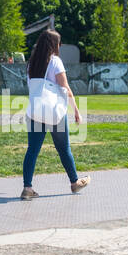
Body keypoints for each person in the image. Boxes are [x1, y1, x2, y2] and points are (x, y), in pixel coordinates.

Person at [20, 30, 89, 199]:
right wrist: (76, 110)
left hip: (35, 112)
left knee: (32, 150)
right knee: (63, 148)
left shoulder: (31, 63)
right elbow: (65, 88)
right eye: (59, 43)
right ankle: (74, 183)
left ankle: (27, 188)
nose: (59, 46)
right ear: (53, 44)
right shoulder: (55, 61)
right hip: (53, 112)